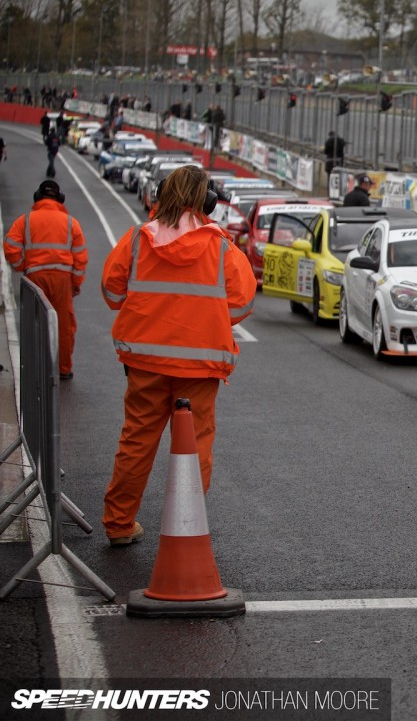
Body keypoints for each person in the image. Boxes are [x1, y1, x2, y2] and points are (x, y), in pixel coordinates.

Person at [99, 165, 256, 546]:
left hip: (144, 362)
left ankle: (119, 524)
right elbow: (241, 304)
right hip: (200, 366)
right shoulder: (221, 247)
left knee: (136, 441)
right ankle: (187, 525)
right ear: (207, 202)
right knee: (194, 446)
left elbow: (113, 293)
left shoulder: (137, 240)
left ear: (162, 194)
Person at [4, 180, 88, 379]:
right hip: (62, 279)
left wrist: (22, 266)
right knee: (63, 325)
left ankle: (34, 369)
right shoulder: (71, 223)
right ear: (60, 199)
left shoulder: (25, 221)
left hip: (35, 278)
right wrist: (75, 284)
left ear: (37, 197)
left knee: (34, 323)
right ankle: (63, 369)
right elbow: (80, 258)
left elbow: (10, 247)